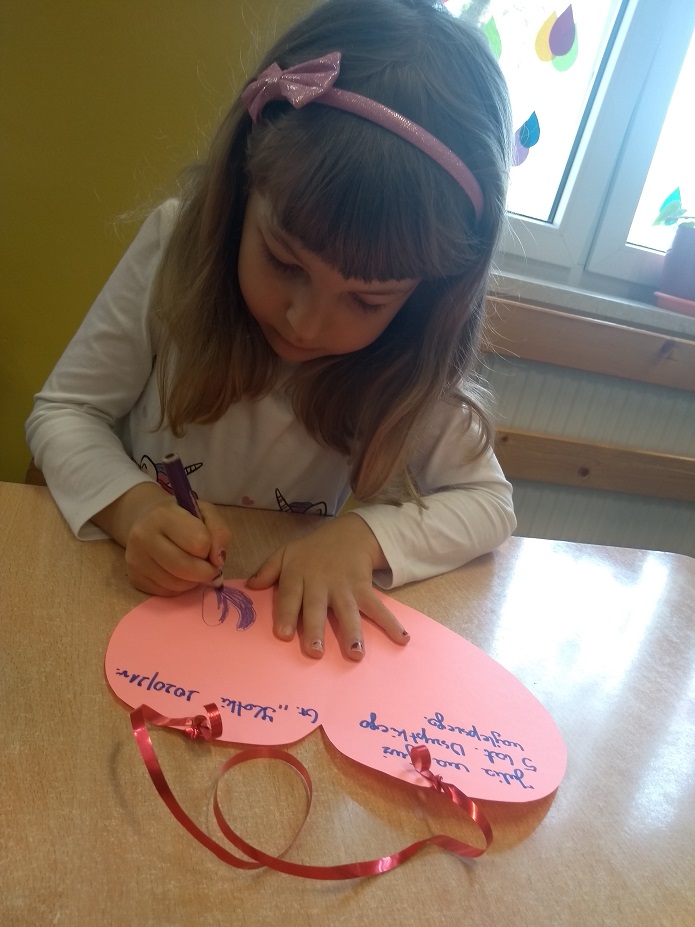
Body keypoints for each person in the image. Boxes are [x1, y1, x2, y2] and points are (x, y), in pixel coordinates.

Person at [26, 0, 516, 661]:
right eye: (284, 262)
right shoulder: (175, 251)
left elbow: (489, 504)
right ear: (242, 187)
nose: (304, 322)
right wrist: (133, 509)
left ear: (425, 297)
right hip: (123, 608)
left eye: (366, 301)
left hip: (264, 646)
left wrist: (361, 539)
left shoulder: (407, 349)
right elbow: (63, 412)